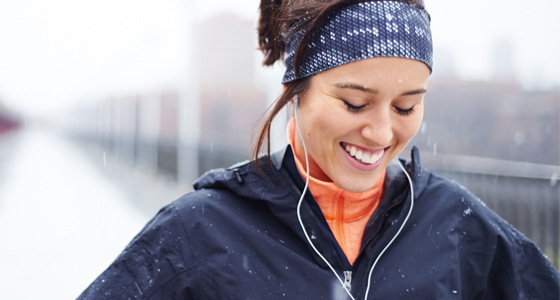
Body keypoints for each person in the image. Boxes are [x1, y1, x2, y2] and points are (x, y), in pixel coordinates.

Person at [77, 0, 560, 299]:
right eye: (354, 103)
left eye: (407, 107)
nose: (381, 131)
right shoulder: (199, 232)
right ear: (296, 92)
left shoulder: (459, 226)